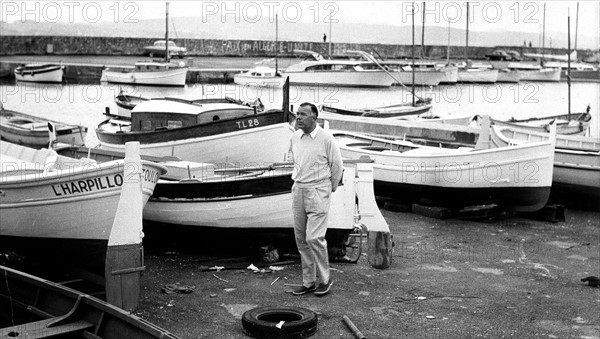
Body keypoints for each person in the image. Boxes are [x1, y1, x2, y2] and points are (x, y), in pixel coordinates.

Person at [288, 102, 343, 296]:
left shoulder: (326, 139)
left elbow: (336, 166)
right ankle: (308, 281)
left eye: (303, 114)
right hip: (299, 189)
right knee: (301, 239)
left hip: (319, 190)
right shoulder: (295, 137)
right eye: (297, 114)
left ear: (314, 118)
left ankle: (325, 279)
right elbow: (295, 160)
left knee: (314, 237)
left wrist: (330, 188)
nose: (299, 117)